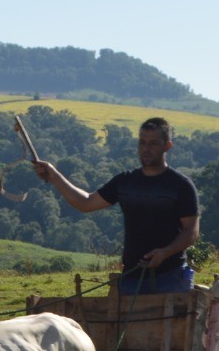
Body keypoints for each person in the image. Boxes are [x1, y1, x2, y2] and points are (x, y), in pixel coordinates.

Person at [34, 116, 200, 294]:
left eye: (153, 144)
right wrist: (53, 176)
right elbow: (86, 203)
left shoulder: (181, 185)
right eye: (142, 143)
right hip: (131, 278)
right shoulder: (125, 181)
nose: (146, 149)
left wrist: (164, 253)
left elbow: (191, 232)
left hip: (170, 278)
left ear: (167, 146)